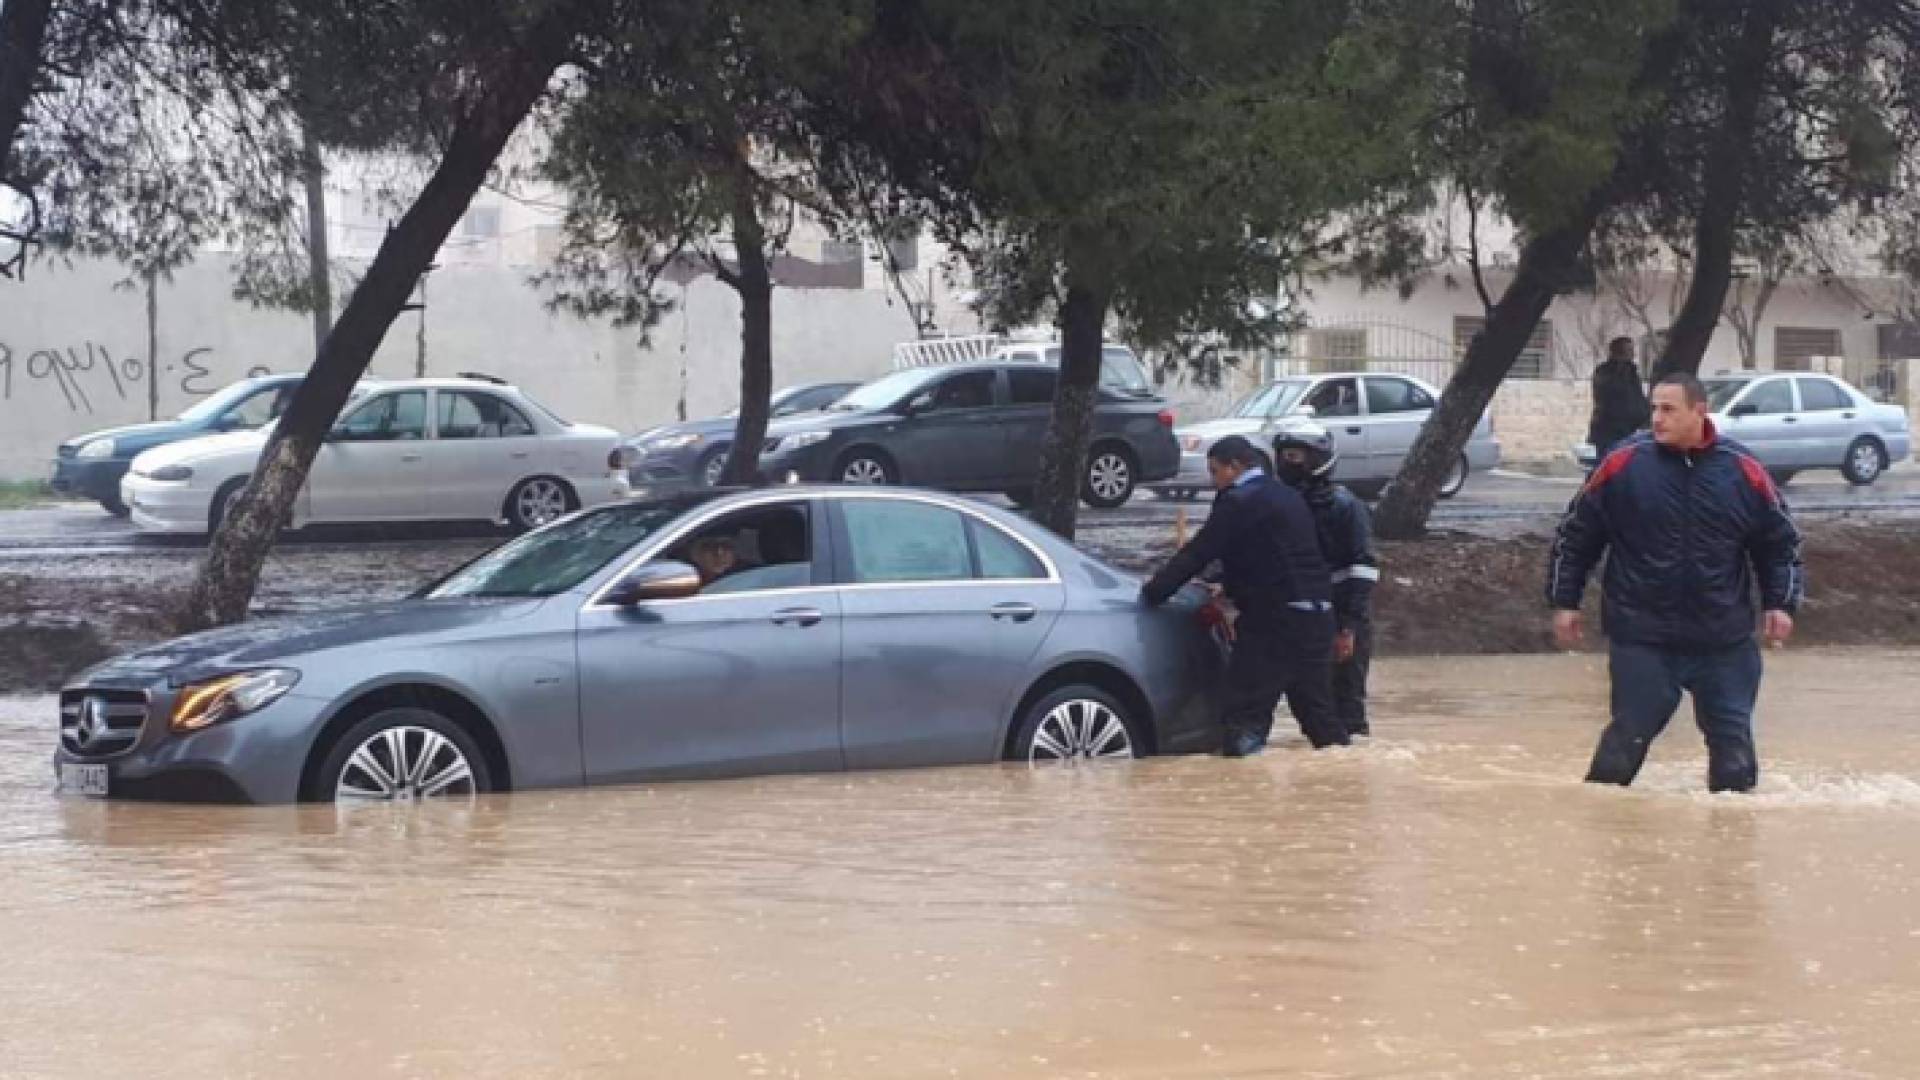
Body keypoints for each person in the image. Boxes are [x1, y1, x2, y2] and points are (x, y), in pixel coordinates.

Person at [1547, 373, 1805, 793]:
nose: (1657, 418)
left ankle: (1729, 849)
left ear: (1699, 412)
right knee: (1625, 743)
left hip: (1723, 636)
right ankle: (1604, 834)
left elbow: (1780, 544)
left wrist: (1781, 603)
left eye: (1668, 409)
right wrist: (1565, 602)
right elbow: (1576, 536)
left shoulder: (1744, 470)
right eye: (1654, 408)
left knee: (1734, 756)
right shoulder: (1623, 464)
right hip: (1643, 633)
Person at [1141, 435, 1349, 755]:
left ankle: (1242, 788)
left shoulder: (1238, 500)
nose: (1214, 482)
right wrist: (1229, 582)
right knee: (1319, 718)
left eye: (1215, 471)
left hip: (1274, 624)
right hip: (1318, 617)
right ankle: (1348, 784)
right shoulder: (1288, 497)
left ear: (1235, 466)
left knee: (1244, 714)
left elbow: (1199, 552)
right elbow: (1279, 554)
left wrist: (1154, 592)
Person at [1273, 424, 1379, 738]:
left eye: (1294, 456)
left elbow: (1362, 569)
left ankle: (1350, 771)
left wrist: (1348, 628)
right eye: (1282, 456)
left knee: (1346, 704)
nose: (1286, 463)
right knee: (1308, 701)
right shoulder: (1283, 504)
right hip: (1298, 616)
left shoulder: (1346, 506)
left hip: (1340, 616)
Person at [1587, 336, 1650, 461]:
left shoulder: (1632, 372)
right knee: (1608, 465)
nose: (1633, 354)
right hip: (1608, 431)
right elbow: (1610, 397)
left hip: (1629, 430)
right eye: (1629, 350)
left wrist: (1645, 416)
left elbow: (1637, 397)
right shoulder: (1604, 371)